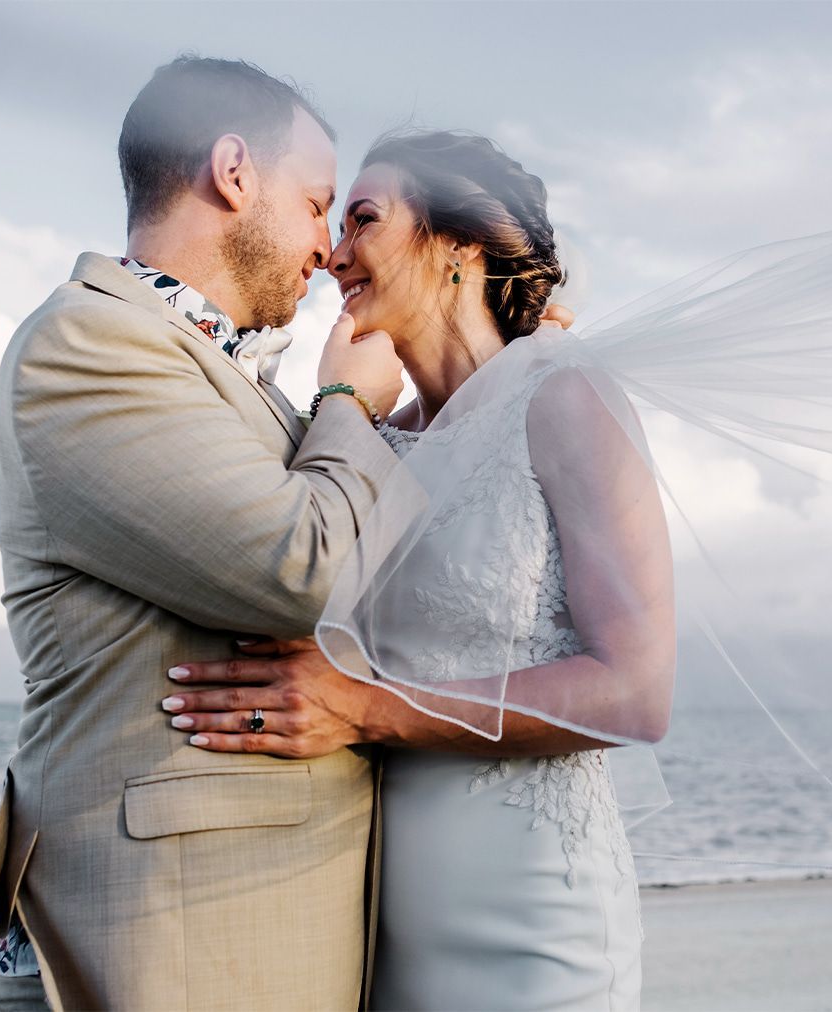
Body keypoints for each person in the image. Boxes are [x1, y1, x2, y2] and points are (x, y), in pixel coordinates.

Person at [162, 130, 677, 1011]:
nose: (332, 252)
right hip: (381, 916)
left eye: (364, 219)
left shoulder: (566, 396)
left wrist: (362, 709)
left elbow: (634, 692)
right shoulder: (377, 442)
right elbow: (288, 567)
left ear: (458, 245)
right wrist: (342, 407)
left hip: (534, 918)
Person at [0, 57, 405, 1011]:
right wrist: (348, 402)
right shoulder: (89, 346)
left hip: (250, 929)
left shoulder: (226, 377)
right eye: (317, 202)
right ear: (234, 172)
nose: (328, 246)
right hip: (171, 946)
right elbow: (312, 570)